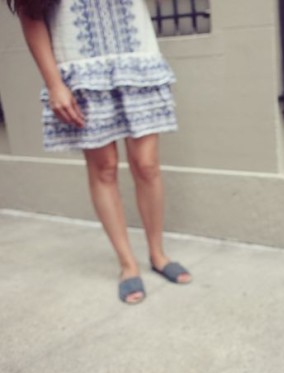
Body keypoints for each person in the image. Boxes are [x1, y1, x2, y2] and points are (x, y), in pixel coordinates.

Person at [8, 0, 192, 304]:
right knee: (104, 168)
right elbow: (31, 16)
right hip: (81, 72)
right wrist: (54, 84)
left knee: (147, 165)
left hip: (137, 63)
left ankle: (158, 254)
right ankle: (127, 264)